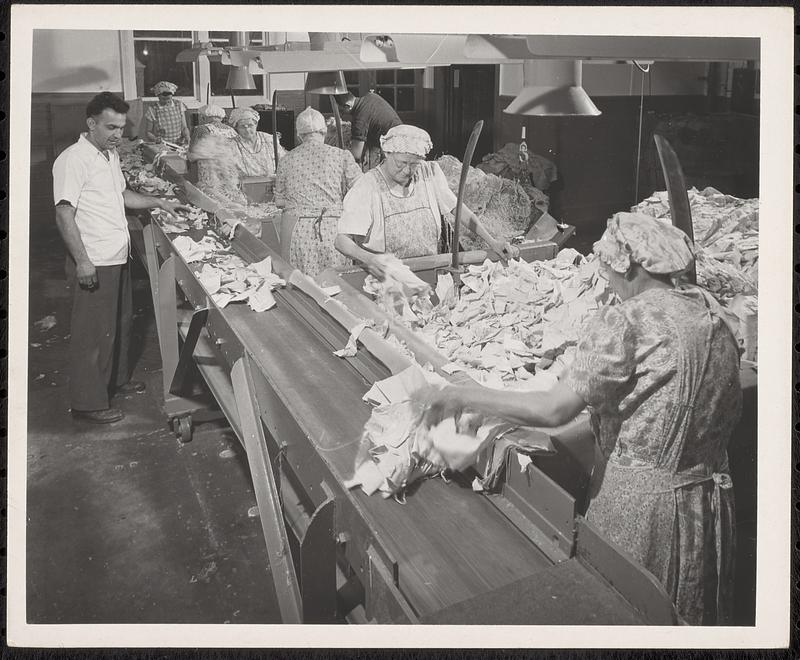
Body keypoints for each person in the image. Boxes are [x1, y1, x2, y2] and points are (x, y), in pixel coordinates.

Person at [423, 213, 743, 625]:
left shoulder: (627, 321)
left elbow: (553, 410)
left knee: (629, 613)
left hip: (641, 511)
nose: (605, 279)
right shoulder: (713, 313)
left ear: (628, 266)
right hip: (707, 501)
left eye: (607, 269)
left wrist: (462, 393)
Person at [53, 92, 191, 424]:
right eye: (111, 127)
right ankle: (88, 403)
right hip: (94, 257)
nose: (118, 134)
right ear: (91, 123)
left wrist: (159, 203)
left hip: (116, 253)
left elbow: (121, 195)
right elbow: (63, 214)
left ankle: (115, 381)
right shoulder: (74, 159)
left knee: (117, 324)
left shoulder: (108, 156)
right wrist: (82, 261)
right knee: (92, 333)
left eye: (120, 127)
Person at [334, 124, 519, 280]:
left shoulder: (429, 173)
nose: (408, 170)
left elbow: (457, 209)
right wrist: (368, 259)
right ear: (387, 153)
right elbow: (342, 241)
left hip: (428, 270)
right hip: (385, 278)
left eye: (414, 164)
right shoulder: (367, 186)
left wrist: (492, 241)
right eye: (401, 163)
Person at [273, 107, 362, 277]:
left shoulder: (286, 159)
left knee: (303, 287)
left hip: (298, 232)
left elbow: (279, 202)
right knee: (337, 286)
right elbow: (362, 190)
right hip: (334, 232)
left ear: (299, 135)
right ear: (324, 132)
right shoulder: (341, 156)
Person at [186, 104, 248, 207]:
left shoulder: (201, 129)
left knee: (213, 198)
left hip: (210, 172)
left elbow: (192, 152)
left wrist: (188, 155)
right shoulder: (231, 130)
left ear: (203, 117)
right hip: (229, 171)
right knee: (230, 195)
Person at [334, 91, 401, 171]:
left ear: (347, 106)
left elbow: (356, 155)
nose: (342, 115)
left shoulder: (359, 119)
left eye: (341, 111)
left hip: (397, 149)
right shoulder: (371, 96)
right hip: (402, 133)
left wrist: (337, 157)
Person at [229, 106, 286, 178]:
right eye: (242, 126)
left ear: (256, 124)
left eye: (250, 125)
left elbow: (283, 161)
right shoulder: (231, 145)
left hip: (270, 183)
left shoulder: (269, 139)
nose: (247, 130)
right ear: (236, 128)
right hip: (246, 185)